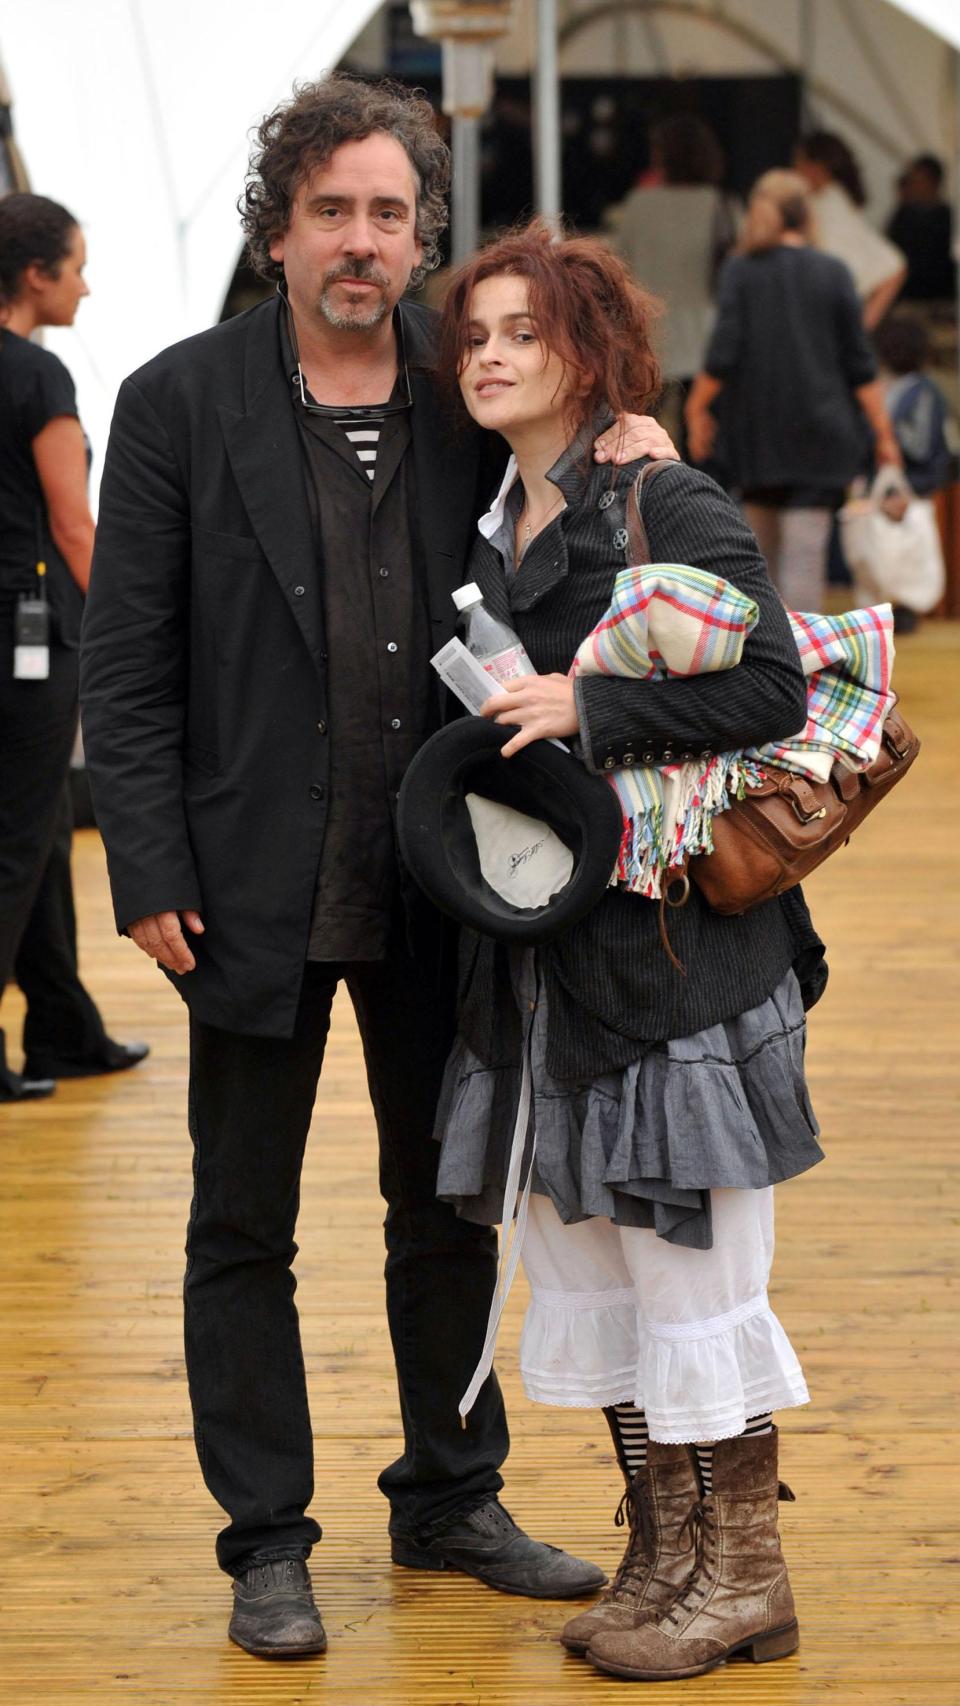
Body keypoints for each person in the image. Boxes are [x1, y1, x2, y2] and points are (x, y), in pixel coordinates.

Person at [79, 76, 676, 1660]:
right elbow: (127, 663)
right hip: (242, 881)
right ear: (281, 225)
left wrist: (631, 456)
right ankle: (267, 1536)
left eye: (390, 213)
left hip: (447, 874)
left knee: (447, 1202)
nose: (361, 241)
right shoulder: (178, 398)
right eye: (332, 209)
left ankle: (451, 1493)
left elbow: (590, 547)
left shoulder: (467, 391)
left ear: (424, 236)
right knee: (241, 1223)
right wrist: (144, 858)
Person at [431, 218, 830, 1683]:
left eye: (523, 332)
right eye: (474, 334)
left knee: (692, 1271)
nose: (489, 354)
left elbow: (776, 680)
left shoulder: (662, 492)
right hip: (548, 958)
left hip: (676, 965)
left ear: (588, 350)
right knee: (596, 1262)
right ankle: (669, 1561)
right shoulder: (492, 513)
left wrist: (588, 713)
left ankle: (745, 1577)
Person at [0, 192, 148, 1103]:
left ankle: (62, 1024)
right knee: (17, 841)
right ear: (34, 275)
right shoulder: (36, 377)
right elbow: (75, 524)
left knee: (42, 825)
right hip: (26, 630)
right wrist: (134, 631)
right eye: (77, 269)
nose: (86, 289)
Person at [684, 170, 901, 612]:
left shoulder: (741, 271)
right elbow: (860, 365)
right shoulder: (834, 272)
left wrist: (696, 409)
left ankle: (767, 666)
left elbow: (723, 353)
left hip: (756, 433)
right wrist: (884, 435)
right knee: (806, 555)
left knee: (758, 559)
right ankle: (804, 665)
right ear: (806, 216)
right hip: (822, 433)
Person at [607, 115, 736, 456]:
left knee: (641, 437)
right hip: (706, 335)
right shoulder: (723, 205)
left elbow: (618, 263)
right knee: (703, 439)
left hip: (651, 335)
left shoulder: (640, 204)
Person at [794, 130, 906, 330]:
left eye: (799, 162)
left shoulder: (830, 207)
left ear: (817, 167)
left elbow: (893, 267)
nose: (795, 170)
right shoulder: (830, 203)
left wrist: (860, 329)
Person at [886, 154, 956, 304]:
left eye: (918, 180)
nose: (914, 185)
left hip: (939, 299)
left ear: (933, 182)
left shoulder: (947, 217)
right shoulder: (904, 215)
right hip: (906, 298)